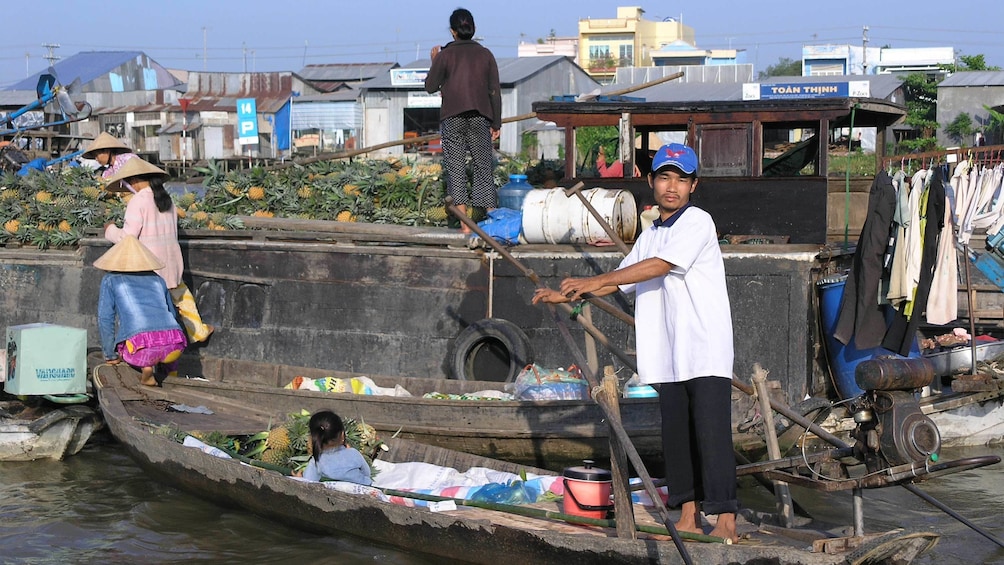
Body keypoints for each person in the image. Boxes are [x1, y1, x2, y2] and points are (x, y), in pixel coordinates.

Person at [532, 143, 738, 542]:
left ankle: (726, 519)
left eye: (681, 179)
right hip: (670, 354)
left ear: (693, 185)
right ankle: (688, 515)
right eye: (665, 177)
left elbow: (659, 267)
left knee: (710, 432)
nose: (672, 186)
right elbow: (621, 276)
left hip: (704, 348)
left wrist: (593, 281)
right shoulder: (651, 234)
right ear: (651, 182)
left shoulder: (697, 221)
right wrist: (568, 294)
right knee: (676, 434)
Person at [103, 157, 214, 343]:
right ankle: (197, 332)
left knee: (156, 308)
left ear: (135, 179)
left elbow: (128, 238)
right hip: (172, 261)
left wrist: (110, 230)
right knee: (181, 296)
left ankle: (158, 347)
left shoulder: (138, 201)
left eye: (129, 182)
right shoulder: (166, 199)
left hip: (151, 265)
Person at [424, 8, 502, 234]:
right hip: (480, 116)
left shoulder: (445, 55)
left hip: (453, 117)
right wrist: (496, 123)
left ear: (452, 31)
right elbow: (494, 91)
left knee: (456, 168)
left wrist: (434, 61)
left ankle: (465, 227)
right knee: (483, 167)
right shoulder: (485, 54)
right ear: (474, 29)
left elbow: (430, 86)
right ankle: (492, 220)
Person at [95, 235, 188, 387]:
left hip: (140, 347)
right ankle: (170, 371)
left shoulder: (110, 279)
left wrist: (110, 354)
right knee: (166, 347)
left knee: (129, 347)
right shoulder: (157, 279)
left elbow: (105, 318)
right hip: (174, 341)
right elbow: (172, 312)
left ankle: (146, 367)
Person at [299, 410, 373, 485]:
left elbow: (308, 483)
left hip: (331, 496)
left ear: (314, 438)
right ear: (342, 435)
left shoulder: (316, 462)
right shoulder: (354, 453)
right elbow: (367, 474)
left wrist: (298, 479)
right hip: (363, 493)